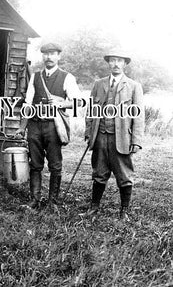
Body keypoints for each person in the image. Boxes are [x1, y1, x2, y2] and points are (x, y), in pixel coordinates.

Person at [14, 43, 80, 210]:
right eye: (46, 54)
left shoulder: (67, 77)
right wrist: (22, 127)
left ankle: (53, 202)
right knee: (35, 164)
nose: (49, 57)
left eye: (52, 54)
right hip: (35, 125)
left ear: (59, 56)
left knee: (55, 165)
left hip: (53, 126)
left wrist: (59, 102)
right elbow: (28, 104)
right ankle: (34, 200)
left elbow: (77, 103)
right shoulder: (36, 77)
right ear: (42, 56)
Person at [83, 49, 144, 220]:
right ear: (108, 63)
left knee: (124, 176)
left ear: (125, 64)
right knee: (99, 173)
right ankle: (93, 208)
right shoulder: (98, 84)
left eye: (119, 60)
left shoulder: (133, 86)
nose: (116, 64)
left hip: (122, 138)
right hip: (100, 136)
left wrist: (136, 140)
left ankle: (124, 212)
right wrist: (89, 133)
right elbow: (91, 111)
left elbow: (138, 116)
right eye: (112, 60)